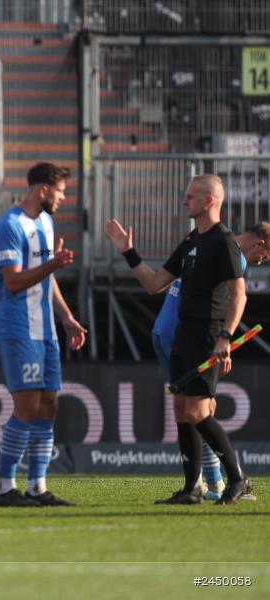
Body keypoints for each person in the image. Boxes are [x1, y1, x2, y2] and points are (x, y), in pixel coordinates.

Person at [106, 174, 253, 504]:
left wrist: (225, 337)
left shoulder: (224, 241)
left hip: (207, 335)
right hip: (184, 335)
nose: (185, 201)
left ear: (209, 201)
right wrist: (128, 252)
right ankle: (191, 489)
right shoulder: (191, 240)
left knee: (199, 410)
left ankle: (238, 479)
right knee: (181, 409)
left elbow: (239, 295)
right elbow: (154, 283)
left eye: (190, 197)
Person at [0, 162, 87, 507]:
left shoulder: (45, 222)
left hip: (45, 328)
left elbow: (48, 277)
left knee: (49, 404)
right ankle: (4, 488)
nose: (63, 198)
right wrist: (52, 264)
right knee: (27, 405)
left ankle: (37, 487)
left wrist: (67, 318)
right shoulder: (10, 226)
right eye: (60, 192)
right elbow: (14, 281)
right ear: (43, 190)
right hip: (18, 326)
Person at [151, 220, 269, 501]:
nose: (260, 263)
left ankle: (198, 486)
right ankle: (224, 483)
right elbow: (227, 302)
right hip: (190, 338)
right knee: (201, 409)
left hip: (164, 334)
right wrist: (222, 340)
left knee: (186, 408)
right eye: (262, 257)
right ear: (259, 244)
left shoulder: (199, 244)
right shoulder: (233, 255)